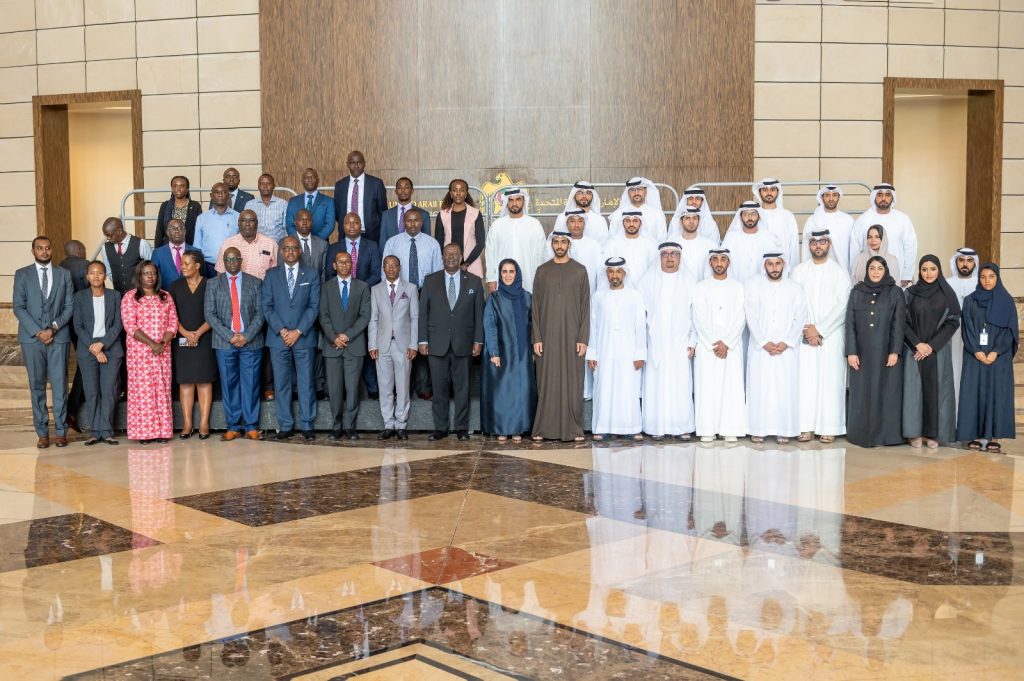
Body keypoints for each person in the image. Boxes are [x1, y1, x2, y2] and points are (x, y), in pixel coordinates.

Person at [418, 244, 484, 440]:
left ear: (461, 257)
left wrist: (478, 341)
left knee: (463, 389)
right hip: (436, 344)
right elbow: (423, 313)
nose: (451, 257)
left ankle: (461, 428)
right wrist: (422, 340)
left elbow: (479, 315)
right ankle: (441, 428)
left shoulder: (474, 281)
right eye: (448, 254)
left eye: (455, 254)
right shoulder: (430, 281)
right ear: (443, 257)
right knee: (439, 389)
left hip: (464, 343)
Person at [791, 230, 851, 444]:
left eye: (822, 241)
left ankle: (829, 427)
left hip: (831, 336)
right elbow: (794, 303)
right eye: (814, 242)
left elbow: (843, 305)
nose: (818, 245)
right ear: (809, 245)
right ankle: (805, 426)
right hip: (805, 335)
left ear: (829, 244)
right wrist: (808, 330)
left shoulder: (839, 272)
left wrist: (820, 329)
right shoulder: (798, 271)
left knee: (830, 382)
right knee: (806, 381)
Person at [14, 237, 74, 448]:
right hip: (31, 339)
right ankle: (42, 433)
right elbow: (18, 307)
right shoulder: (22, 274)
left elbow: (69, 306)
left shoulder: (64, 274)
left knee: (60, 385)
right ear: (33, 251)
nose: (44, 251)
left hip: (59, 337)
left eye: (47, 248)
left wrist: (53, 328)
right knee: (36, 385)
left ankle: (61, 431)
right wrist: (38, 331)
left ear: (52, 250)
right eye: (40, 248)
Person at [531, 232, 590, 442]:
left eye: (563, 242)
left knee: (573, 382)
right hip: (546, 337)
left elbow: (585, 307)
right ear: (552, 245)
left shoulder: (580, 271)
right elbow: (535, 307)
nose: (559, 245)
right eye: (556, 242)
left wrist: (583, 338)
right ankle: (543, 428)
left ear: (569, 245)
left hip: (573, 337)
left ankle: (573, 429)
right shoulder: (542, 271)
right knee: (547, 382)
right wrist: (537, 337)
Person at [263, 236, 322, 441]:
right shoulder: (271, 275)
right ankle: (286, 425)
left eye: (294, 248)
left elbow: (314, 306)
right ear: (281, 251)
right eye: (286, 248)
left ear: (299, 251)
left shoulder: (311, 274)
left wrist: (298, 331)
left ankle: (307, 425)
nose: (290, 251)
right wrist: (282, 330)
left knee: (306, 382)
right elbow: (267, 306)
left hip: (303, 337)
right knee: (281, 383)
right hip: (278, 338)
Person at [956, 263, 1018, 453]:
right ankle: (974, 435)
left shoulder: (1006, 301)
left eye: (991, 276)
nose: (987, 281)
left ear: (997, 278)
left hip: (998, 357)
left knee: (996, 393)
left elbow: (1010, 330)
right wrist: (976, 350)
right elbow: (966, 327)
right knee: (973, 393)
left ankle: (995, 436)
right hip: (975, 355)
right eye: (983, 277)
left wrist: (995, 351)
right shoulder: (970, 300)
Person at [745, 253, 806, 444]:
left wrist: (787, 342)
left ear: (783, 265)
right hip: (760, 348)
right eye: (770, 264)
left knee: (784, 388)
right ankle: (758, 429)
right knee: (760, 387)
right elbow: (750, 315)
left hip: (786, 349)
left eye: (777, 263)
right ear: (764, 266)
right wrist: (763, 341)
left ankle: (784, 429)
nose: (774, 268)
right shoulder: (754, 287)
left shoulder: (795, 288)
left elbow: (800, 317)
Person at [205, 247, 265, 441]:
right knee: (229, 384)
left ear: (241, 260)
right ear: (223, 262)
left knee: (251, 384)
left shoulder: (255, 282)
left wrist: (246, 336)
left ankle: (251, 426)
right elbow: (210, 314)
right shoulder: (213, 284)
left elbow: (261, 313)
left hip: (251, 341)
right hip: (225, 342)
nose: (231, 262)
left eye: (235, 259)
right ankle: (233, 426)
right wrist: (230, 336)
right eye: (228, 259)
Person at [845, 256, 906, 447]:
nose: (876, 272)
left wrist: (895, 351)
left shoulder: (895, 292)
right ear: (867, 270)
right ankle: (861, 435)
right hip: (861, 354)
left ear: (885, 270)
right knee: (862, 393)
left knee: (886, 392)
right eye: (872, 268)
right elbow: (850, 323)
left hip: (886, 352)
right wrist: (851, 352)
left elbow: (899, 324)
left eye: (880, 268)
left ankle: (885, 436)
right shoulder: (857, 292)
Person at [639, 242, 697, 441]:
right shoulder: (647, 281)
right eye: (665, 254)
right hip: (656, 343)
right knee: (656, 385)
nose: (670, 257)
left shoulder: (690, 281)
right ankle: (656, 426)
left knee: (681, 384)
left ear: (680, 257)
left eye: (674, 254)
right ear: (660, 257)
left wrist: (692, 341)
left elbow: (696, 314)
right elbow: (640, 315)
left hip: (681, 343)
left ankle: (682, 427)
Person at [382, 209, 443, 399]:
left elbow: (438, 273)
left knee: (422, 336)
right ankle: (402, 387)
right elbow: (385, 273)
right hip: (400, 292)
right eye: (409, 220)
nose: (413, 224)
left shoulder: (432, 243)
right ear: (404, 222)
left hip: (425, 292)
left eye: (416, 220)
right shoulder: (392, 242)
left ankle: (423, 386)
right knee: (401, 336)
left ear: (421, 222)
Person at [903, 255, 961, 449]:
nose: (928, 273)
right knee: (914, 391)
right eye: (924, 269)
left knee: (936, 391)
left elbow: (953, 321)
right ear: (919, 271)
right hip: (914, 351)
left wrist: (931, 346)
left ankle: (933, 433)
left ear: (939, 270)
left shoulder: (947, 293)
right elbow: (902, 321)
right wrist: (918, 344)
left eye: (933, 269)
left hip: (937, 351)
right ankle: (915, 432)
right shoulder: (910, 293)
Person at [587, 258, 646, 441]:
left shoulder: (635, 296)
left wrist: (640, 354)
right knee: (604, 388)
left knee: (628, 388)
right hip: (604, 351)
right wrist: (592, 353)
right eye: (611, 271)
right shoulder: (598, 296)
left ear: (624, 274)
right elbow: (593, 325)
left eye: (618, 271)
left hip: (628, 352)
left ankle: (632, 428)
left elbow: (640, 326)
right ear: (606, 274)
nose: (614, 275)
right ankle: (602, 427)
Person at [691, 249, 747, 442]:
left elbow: (741, 317)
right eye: (715, 259)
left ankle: (729, 429)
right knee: (707, 388)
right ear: (710, 263)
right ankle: (707, 429)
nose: (719, 263)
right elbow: (698, 318)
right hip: (707, 347)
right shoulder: (700, 287)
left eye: (723, 259)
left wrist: (727, 343)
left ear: (728, 263)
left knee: (730, 388)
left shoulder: (738, 287)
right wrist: (714, 343)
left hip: (731, 347)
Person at [121, 261, 177, 444]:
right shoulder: (130, 297)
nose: (150, 276)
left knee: (162, 389)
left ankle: (162, 431)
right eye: (146, 273)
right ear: (139, 276)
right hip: (140, 354)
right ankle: (144, 433)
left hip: (162, 352)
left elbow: (173, 323)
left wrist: (162, 343)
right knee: (142, 392)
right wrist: (152, 344)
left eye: (153, 273)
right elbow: (130, 326)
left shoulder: (165, 297)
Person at [327, 212, 382, 398]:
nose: (351, 226)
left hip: (366, 298)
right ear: (342, 226)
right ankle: (342, 390)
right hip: (340, 303)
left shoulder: (372, 246)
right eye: (348, 223)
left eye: (355, 222)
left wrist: (358, 289)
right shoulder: (334, 248)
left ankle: (372, 387)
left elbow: (377, 273)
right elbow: (329, 275)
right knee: (344, 343)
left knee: (364, 342)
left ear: (361, 225)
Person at [482, 259, 537, 442]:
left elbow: (534, 324)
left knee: (522, 391)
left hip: (522, 353)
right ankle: (502, 428)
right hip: (502, 352)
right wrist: (494, 353)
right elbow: (489, 325)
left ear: (517, 274)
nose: (507, 275)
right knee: (503, 391)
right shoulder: (494, 298)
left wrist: (534, 347)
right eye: (504, 271)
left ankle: (518, 429)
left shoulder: (527, 297)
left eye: (511, 271)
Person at [320, 250, 371, 440]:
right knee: (334, 390)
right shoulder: (326, 287)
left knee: (352, 388)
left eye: (348, 261)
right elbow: (323, 316)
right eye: (340, 262)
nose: (344, 265)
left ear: (352, 264)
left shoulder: (363, 287)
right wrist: (334, 337)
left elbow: (365, 316)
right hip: (332, 346)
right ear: (334, 265)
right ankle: (336, 426)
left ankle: (350, 426)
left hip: (354, 345)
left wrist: (347, 335)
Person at [368, 255, 419, 440]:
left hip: (403, 345)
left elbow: (414, 318)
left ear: (399, 267)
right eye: (387, 265)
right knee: (385, 386)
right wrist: (372, 344)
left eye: (393, 265)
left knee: (403, 386)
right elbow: (373, 319)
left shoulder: (411, 288)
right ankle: (388, 424)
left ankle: (401, 424)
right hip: (382, 345)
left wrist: (414, 344)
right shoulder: (376, 289)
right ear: (383, 268)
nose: (390, 268)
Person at [72, 261, 122, 445]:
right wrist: (95, 348)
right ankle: (95, 431)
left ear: (105, 275)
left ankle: (107, 431)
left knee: (109, 391)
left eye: (99, 273)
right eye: (92, 273)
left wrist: (102, 344)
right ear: (87, 276)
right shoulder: (80, 297)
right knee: (92, 391)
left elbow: (118, 324)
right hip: (88, 350)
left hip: (111, 348)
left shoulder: (115, 296)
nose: (95, 276)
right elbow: (78, 326)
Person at [168, 251, 216, 440]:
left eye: (187, 263)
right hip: (182, 339)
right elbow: (171, 315)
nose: (183, 267)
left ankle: (204, 423)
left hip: (205, 338)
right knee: (186, 381)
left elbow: (215, 312)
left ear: (198, 265)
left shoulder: (210, 284)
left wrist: (198, 333)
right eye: (182, 263)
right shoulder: (175, 286)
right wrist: (186, 334)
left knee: (204, 380)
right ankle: (187, 423)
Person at [852, 183, 917, 286]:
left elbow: (910, 248)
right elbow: (855, 251)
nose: (883, 198)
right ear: (874, 197)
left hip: (897, 274)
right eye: (879, 195)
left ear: (892, 197)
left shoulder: (903, 219)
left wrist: (907, 274)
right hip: (868, 277)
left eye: (887, 195)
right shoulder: (863, 220)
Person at [485, 187, 547, 292]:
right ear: (506, 203)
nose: (514, 203)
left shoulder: (534, 224)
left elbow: (541, 254)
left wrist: (540, 277)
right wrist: (491, 278)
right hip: (503, 277)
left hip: (529, 277)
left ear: (524, 201)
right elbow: (490, 253)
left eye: (518, 199)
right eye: (511, 200)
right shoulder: (497, 225)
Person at [58, 239, 89, 431]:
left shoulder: (58, 267)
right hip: (83, 322)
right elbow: (92, 293)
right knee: (86, 363)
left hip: (64, 324)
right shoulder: (85, 265)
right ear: (78, 249)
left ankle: (70, 408)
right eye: (84, 249)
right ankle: (72, 407)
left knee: (78, 364)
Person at [946, 247, 979, 410]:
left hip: (975, 337)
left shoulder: (981, 284)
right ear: (956, 262)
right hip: (951, 335)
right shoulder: (947, 283)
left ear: (975, 263)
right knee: (952, 371)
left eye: (969, 261)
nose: (965, 264)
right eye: (961, 260)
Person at [333, 150, 387, 243]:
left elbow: (382, 212)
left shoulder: (376, 184)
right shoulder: (340, 185)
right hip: (346, 234)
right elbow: (338, 213)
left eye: (359, 162)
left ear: (364, 163)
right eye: (352, 163)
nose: (356, 165)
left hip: (370, 235)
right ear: (347, 164)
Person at [435, 178, 484, 279]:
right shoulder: (442, 214)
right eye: (455, 190)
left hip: (471, 264)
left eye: (461, 190)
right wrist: (448, 262)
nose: (458, 193)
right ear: (450, 193)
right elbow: (439, 242)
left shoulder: (475, 213)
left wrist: (466, 264)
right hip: (449, 265)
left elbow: (481, 243)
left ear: (466, 194)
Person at [720, 202, 778, 284]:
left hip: (761, 287)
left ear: (759, 216)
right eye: (746, 214)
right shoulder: (731, 238)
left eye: (753, 214)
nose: (749, 217)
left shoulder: (768, 239)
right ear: (741, 217)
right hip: (737, 286)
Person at [802, 184, 854, 272]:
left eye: (834, 195)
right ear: (822, 198)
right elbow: (806, 249)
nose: (831, 199)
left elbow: (852, 250)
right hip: (817, 270)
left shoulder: (848, 220)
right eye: (827, 195)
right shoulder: (812, 221)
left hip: (842, 270)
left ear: (839, 197)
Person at [215, 210, 278, 280]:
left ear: (257, 223)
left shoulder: (270, 244)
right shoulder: (227, 244)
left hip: (263, 286)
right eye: (243, 220)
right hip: (235, 286)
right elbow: (220, 272)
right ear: (238, 223)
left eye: (251, 220)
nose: (247, 224)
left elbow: (278, 272)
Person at [96, 217, 153, 292]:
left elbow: (151, 269)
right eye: (106, 235)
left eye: (110, 235)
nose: (108, 238)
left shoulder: (142, 244)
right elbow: (109, 271)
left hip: (139, 293)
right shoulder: (105, 247)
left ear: (119, 231)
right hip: (118, 293)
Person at [193, 183, 239, 274]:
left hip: (231, 265)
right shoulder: (202, 218)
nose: (220, 195)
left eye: (224, 192)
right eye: (217, 192)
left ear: (229, 196)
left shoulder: (238, 217)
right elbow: (197, 246)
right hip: (208, 267)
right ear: (211, 196)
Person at [752, 178, 799, 267]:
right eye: (765, 190)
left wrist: (792, 270)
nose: (769, 193)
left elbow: (793, 246)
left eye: (772, 189)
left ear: (778, 192)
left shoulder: (788, 216)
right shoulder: (754, 216)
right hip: (758, 266)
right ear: (759, 192)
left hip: (783, 268)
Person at [553, 210, 603, 294]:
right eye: (572, 221)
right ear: (567, 224)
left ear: (584, 224)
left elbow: (600, 274)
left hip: (589, 294)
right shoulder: (559, 246)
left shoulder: (594, 245)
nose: (576, 225)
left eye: (580, 221)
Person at [602, 211, 658, 283]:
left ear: (640, 223)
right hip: (622, 288)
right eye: (628, 221)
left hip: (645, 286)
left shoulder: (651, 244)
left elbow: (654, 270)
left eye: (635, 221)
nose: (631, 224)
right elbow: (607, 270)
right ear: (623, 223)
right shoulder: (612, 244)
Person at [670, 205, 718, 281]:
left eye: (694, 218)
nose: (691, 221)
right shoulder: (671, 245)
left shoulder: (711, 245)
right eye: (687, 218)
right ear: (681, 221)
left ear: (699, 221)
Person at [285, 168, 335, 240]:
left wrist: (316, 242)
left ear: (318, 180)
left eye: (312, 177)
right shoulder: (293, 201)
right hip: (298, 244)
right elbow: (289, 225)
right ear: (302, 181)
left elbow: (329, 225)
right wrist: (299, 240)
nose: (309, 179)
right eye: (306, 177)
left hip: (321, 244)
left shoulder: (328, 201)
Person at [152, 219, 203, 289]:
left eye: (180, 228)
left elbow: (201, 275)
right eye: (173, 228)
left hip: (191, 293)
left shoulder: (196, 252)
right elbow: (154, 276)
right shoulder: (158, 253)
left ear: (185, 231)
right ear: (167, 232)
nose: (177, 231)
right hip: (166, 293)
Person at [381, 177, 431, 245]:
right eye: (399, 188)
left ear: (412, 191)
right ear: (396, 191)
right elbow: (383, 242)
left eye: (406, 187)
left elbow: (427, 241)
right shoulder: (386, 215)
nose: (403, 190)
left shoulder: (423, 214)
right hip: (392, 251)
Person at [155, 175, 202, 247]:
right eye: (175, 186)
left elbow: (199, 230)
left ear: (187, 189)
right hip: (169, 247)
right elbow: (159, 230)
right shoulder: (165, 206)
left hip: (189, 247)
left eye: (182, 186)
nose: (178, 189)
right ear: (172, 188)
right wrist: (157, 249)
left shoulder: (195, 206)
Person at [243, 173, 288, 243]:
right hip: (255, 245)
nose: (265, 186)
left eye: (268, 183)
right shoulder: (250, 205)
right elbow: (245, 227)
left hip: (277, 245)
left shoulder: (283, 204)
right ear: (258, 186)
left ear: (274, 186)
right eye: (262, 184)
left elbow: (286, 228)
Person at [291, 208, 329, 278]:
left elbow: (324, 273)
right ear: (295, 222)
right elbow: (282, 271)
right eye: (301, 220)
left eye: (308, 220)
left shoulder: (322, 244)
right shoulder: (285, 243)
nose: (304, 223)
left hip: (317, 284)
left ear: (312, 222)